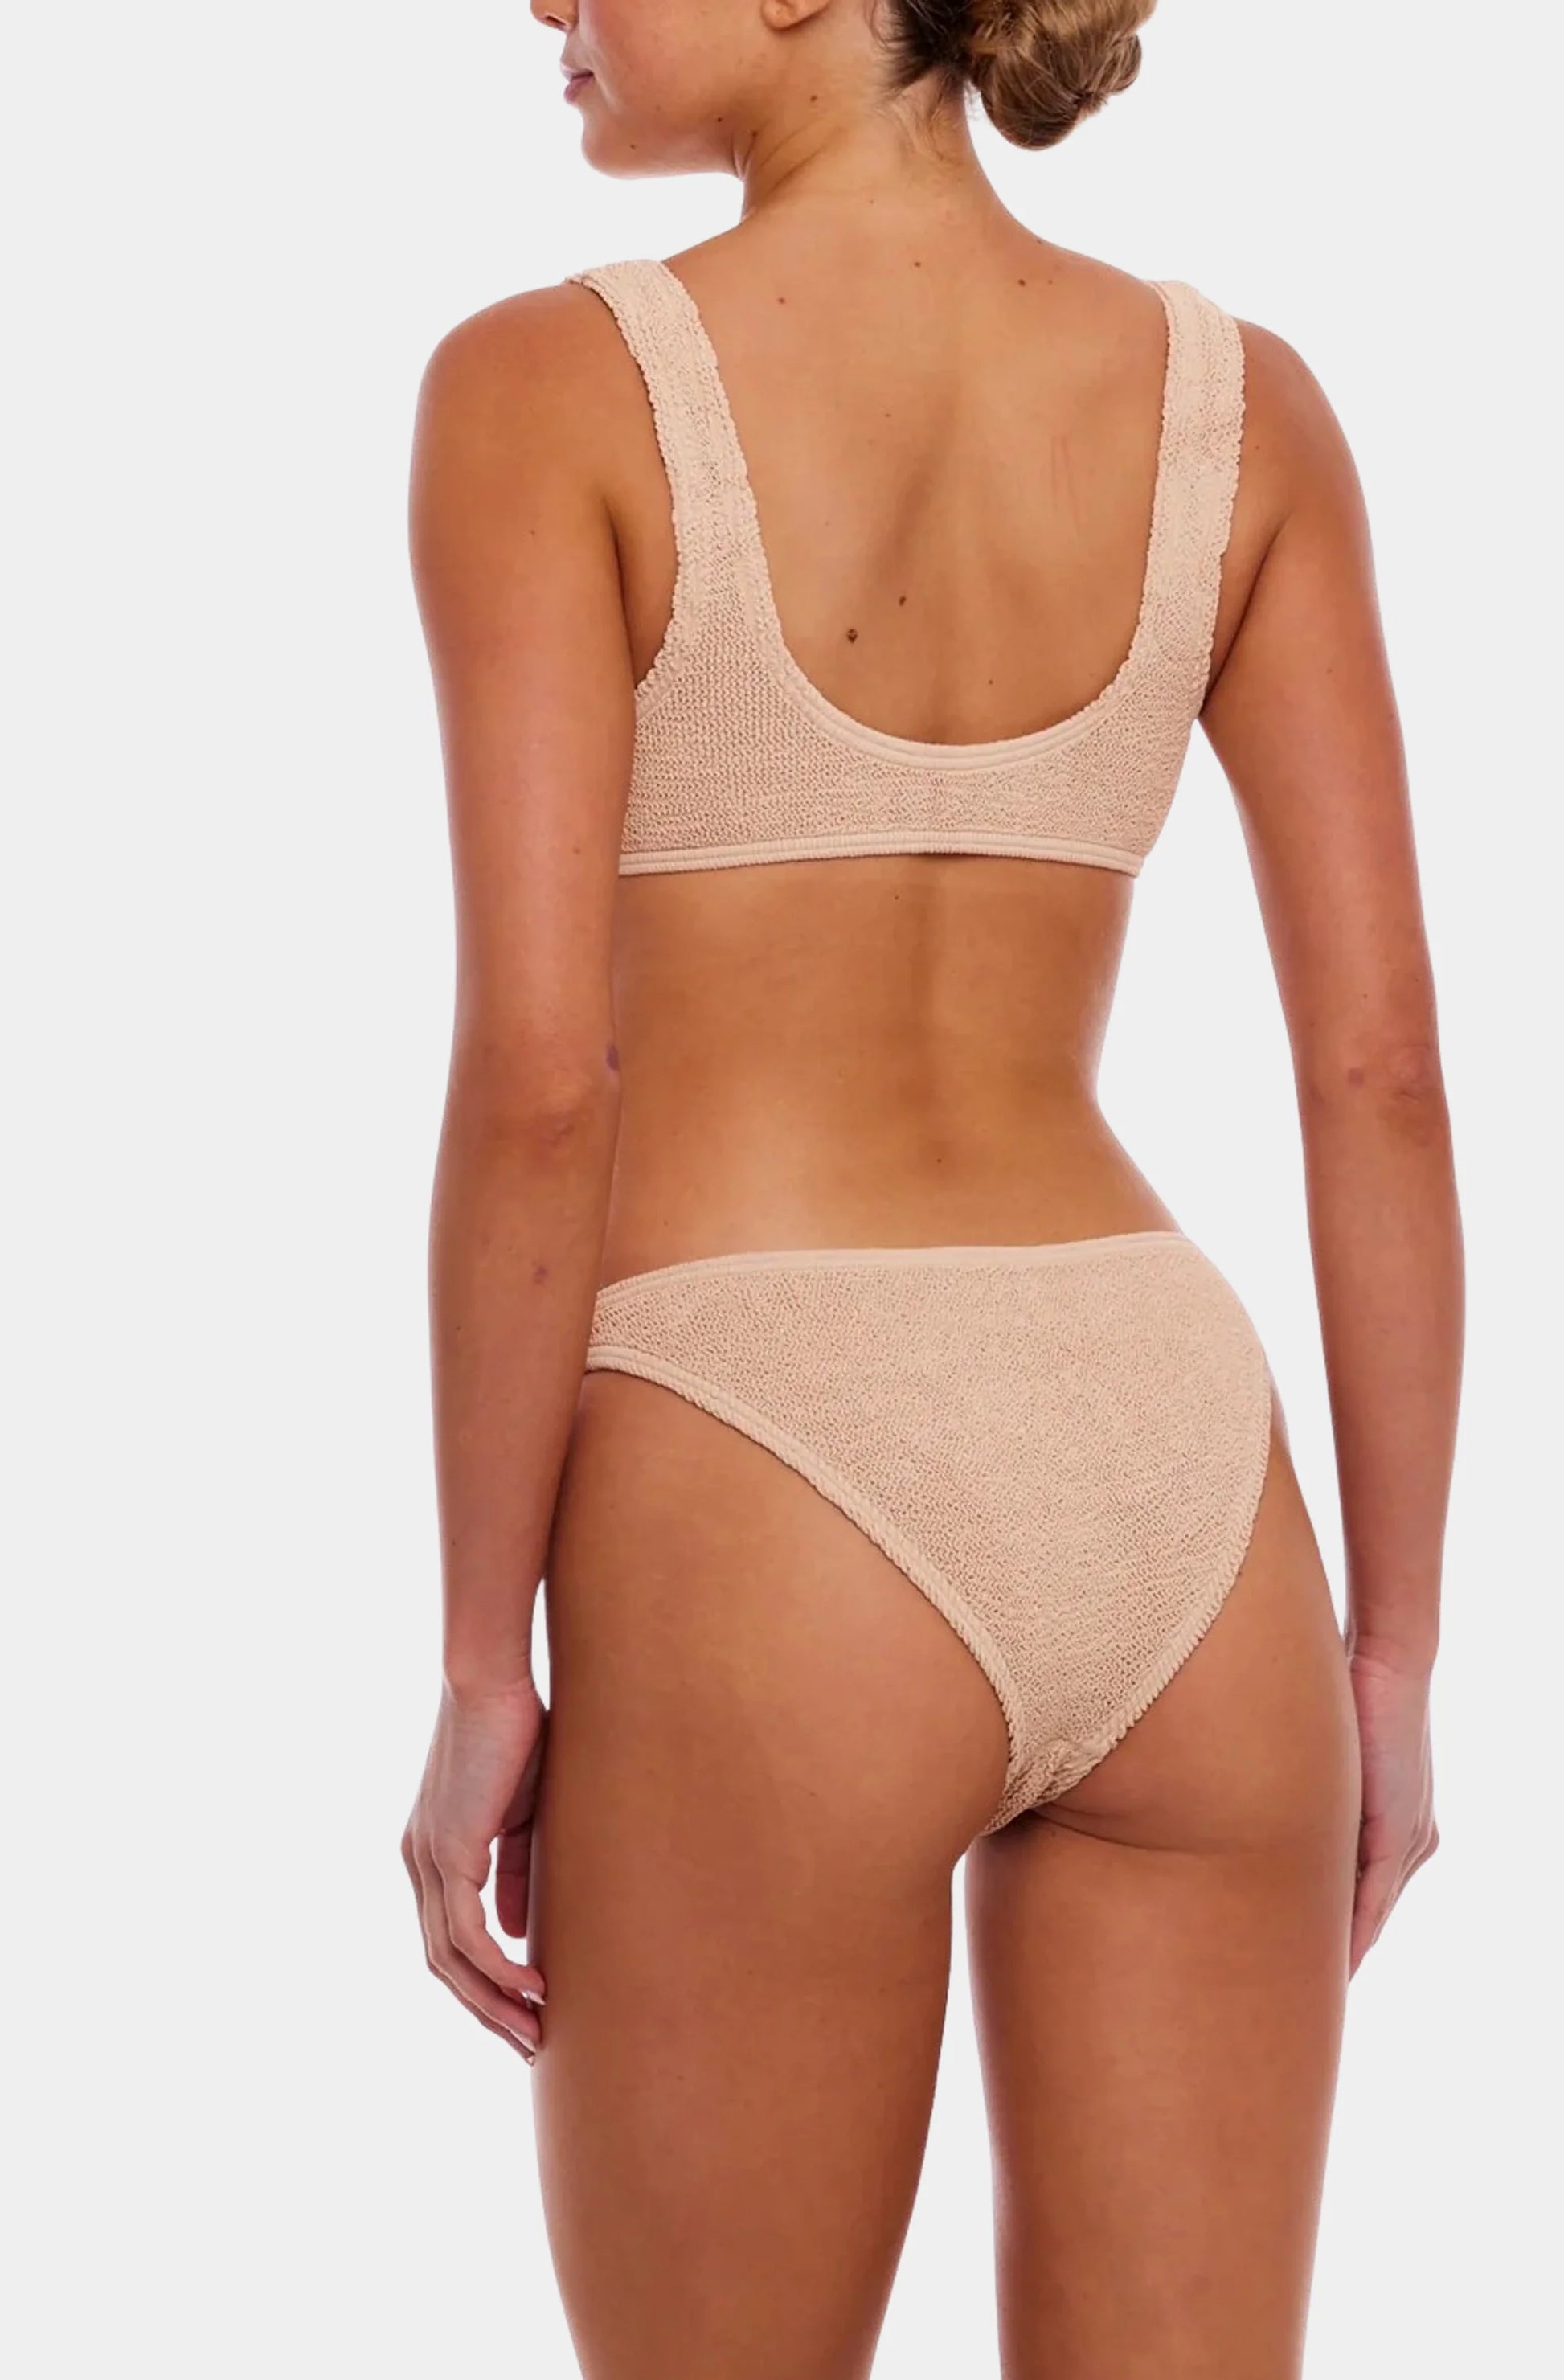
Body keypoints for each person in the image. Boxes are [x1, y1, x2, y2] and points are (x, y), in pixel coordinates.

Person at [401, 2, 1462, 2371]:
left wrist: (484, 1662)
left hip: (759, 1462)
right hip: (1178, 1479)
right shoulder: (1242, 409)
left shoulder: (546, 391)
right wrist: (1391, 1657)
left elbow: (544, 1083)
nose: (539, 2)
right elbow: (1381, 1073)